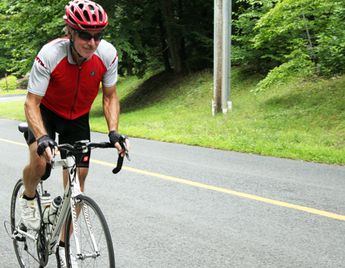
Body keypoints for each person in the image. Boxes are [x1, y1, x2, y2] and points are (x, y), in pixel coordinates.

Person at [20, 0, 130, 267]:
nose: (91, 42)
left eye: (97, 36)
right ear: (70, 31)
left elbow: (110, 96)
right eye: (84, 35)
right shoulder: (49, 55)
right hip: (46, 111)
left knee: (77, 184)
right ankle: (29, 197)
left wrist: (114, 131)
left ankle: (62, 246)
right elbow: (30, 103)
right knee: (40, 161)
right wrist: (43, 137)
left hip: (77, 116)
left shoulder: (108, 54)